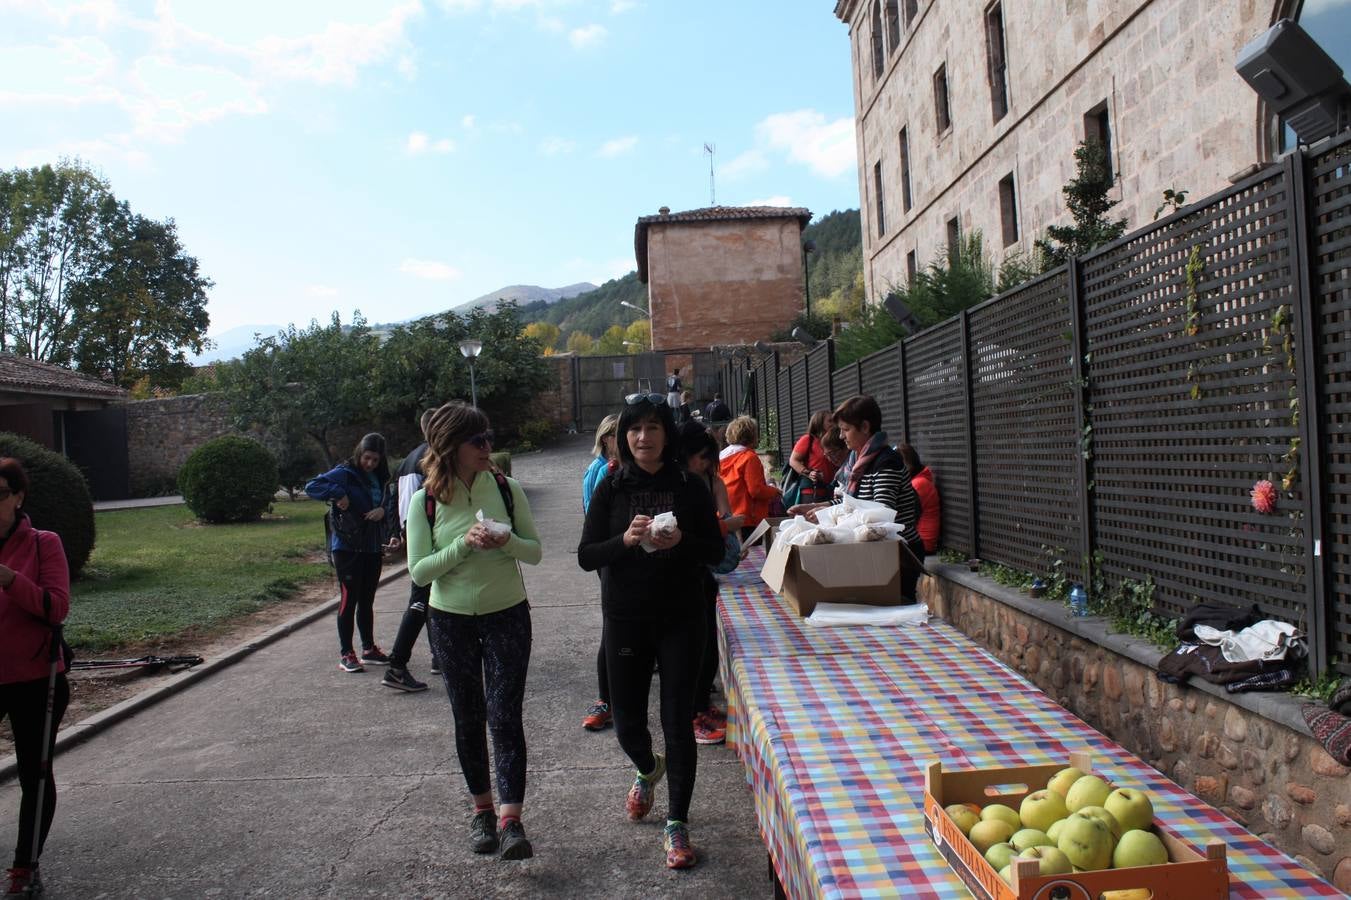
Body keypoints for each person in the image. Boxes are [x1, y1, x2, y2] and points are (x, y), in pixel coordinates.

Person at [577, 393, 723, 870]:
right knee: (628, 723)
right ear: (624, 436)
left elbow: (716, 551)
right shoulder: (611, 487)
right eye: (635, 428)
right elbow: (586, 556)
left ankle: (677, 824)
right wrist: (625, 540)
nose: (644, 437)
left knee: (677, 721)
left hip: (682, 617)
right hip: (626, 617)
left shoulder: (689, 485)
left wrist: (681, 541)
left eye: (653, 427)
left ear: (667, 434)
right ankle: (646, 767)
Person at [407, 402, 542, 860]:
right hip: (449, 620)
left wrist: (506, 542)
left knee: (505, 716)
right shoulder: (423, 501)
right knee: (468, 717)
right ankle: (481, 812)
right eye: (478, 441)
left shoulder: (507, 489)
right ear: (451, 447)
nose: (488, 447)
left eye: (489, 438)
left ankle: (512, 820)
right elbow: (421, 572)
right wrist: (463, 546)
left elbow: (535, 553)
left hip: (507, 614)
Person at [0, 458, 70, 899]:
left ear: (18, 497)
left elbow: (56, 607)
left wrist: (8, 579)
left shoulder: (44, 544)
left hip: (34, 676)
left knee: (34, 775)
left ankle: (25, 867)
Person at [789, 395, 925, 602]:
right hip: (878, 552)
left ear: (864, 427)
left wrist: (828, 513)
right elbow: (853, 503)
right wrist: (818, 507)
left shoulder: (886, 462)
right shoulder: (858, 460)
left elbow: (879, 514)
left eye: (846, 429)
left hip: (898, 555)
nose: (841, 436)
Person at [305, 433, 396, 673]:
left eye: (375, 460)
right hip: (347, 546)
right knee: (349, 598)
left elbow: (388, 502)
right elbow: (312, 486)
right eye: (367, 458)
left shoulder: (381, 477)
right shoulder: (345, 473)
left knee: (367, 600)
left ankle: (368, 648)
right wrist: (338, 493)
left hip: (372, 546)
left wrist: (382, 512)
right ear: (359, 453)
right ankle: (346, 652)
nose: (370, 464)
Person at [678, 422, 743, 746]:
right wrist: (720, 527)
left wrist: (721, 526)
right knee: (692, 652)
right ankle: (693, 715)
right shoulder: (678, 485)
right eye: (700, 457)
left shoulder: (706, 481)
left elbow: (725, 521)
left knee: (706, 648)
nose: (704, 463)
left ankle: (702, 706)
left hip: (705, 571)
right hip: (685, 575)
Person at [381, 410, 440, 693]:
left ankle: (439, 656)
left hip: (430, 541)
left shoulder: (427, 456)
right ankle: (397, 665)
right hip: (424, 543)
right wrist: (406, 538)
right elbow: (408, 504)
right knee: (419, 602)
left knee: (430, 600)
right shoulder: (419, 459)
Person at [580, 414, 620, 731]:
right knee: (611, 628)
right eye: (621, 434)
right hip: (610, 556)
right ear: (606, 439)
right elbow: (594, 523)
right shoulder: (599, 472)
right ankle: (604, 699)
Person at [718, 416, 780, 540]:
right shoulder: (749, 457)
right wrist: (774, 491)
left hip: (726, 516)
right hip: (747, 518)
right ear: (751, 435)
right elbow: (756, 490)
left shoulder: (721, 457)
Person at [786, 410, 839, 507]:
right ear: (819, 422)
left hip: (831, 491)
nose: (834, 424)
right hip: (811, 491)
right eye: (830, 421)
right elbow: (793, 460)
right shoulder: (808, 439)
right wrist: (808, 473)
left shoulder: (833, 441)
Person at [899, 442, 941, 554]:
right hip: (920, 539)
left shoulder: (919, 484)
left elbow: (908, 515)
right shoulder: (919, 480)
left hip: (922, 541)